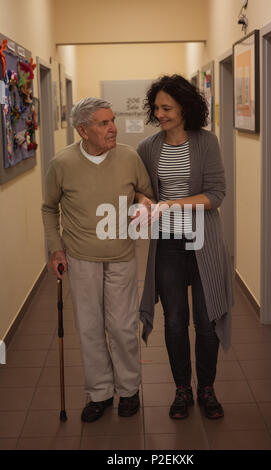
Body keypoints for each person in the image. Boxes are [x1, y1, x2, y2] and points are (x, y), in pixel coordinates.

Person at [41, 97, 153, 422]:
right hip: (80, 257)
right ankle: (100, 392)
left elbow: (144, 193)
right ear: (82, 130)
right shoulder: (62, 163)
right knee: (89, 328)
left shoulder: (129, 157)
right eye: (103, 123)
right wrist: (55, 249)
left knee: (121, 325)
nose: (113, 128)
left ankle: (129, 390)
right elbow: (49, 207)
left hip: (121, 255)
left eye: (112, 120)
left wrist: (144, 203)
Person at [137, 75, 233, 420]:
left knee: (207, 322)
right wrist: (144, 200)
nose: (160, 114)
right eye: (157, 107)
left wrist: (171, 204)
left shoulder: (206, 142)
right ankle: (182, 390)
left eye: (167, 108)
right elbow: (141, 188)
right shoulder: (148, 147)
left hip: (204, 241)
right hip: (168, 245)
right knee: (175, 321)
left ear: (185, 108)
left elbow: (215, 195)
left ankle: (206, 388)